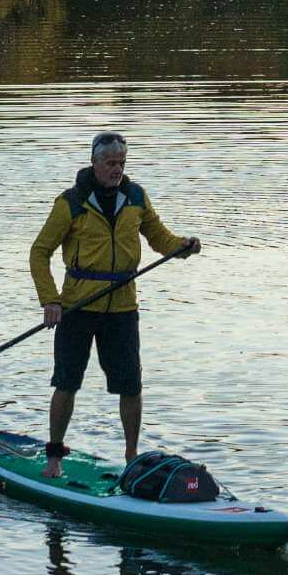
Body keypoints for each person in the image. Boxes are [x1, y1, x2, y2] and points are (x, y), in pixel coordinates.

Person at [30, 131, 199, 481]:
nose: (117, 169)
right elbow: (39, 253)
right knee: (67, 382)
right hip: (78, 308)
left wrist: (181, 246)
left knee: (130, 384)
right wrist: (50, 300)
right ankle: (54, 456)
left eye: (121, 162)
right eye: (110, 163)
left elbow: (159, 238)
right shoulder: (70, 204)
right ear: (94, 163)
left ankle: (131, 457)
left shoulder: (135, 197)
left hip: (122, 308)